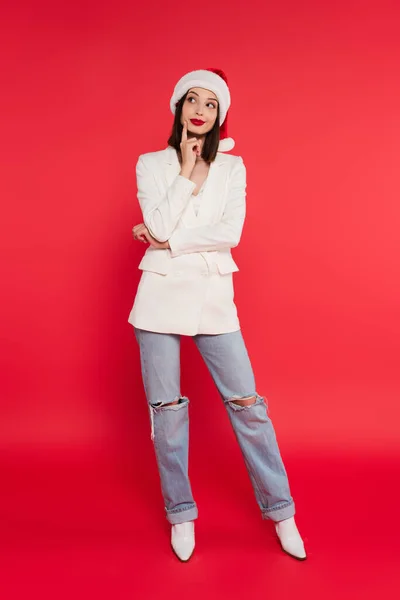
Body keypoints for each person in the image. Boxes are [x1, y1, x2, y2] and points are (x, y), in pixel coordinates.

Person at [128, 68, 307, 562]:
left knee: (249, 405)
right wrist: (184, 172)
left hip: (212, 296)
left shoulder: (234, 168)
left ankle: (282, 511)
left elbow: (230, 232)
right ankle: (181, 514)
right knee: (166, 415)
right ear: (179, 108)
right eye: (192, 100)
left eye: (210, 102)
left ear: (221, 114)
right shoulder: (151, 164)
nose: (200, 109)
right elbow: (159, 219)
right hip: (159, 298)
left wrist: (168, 241)